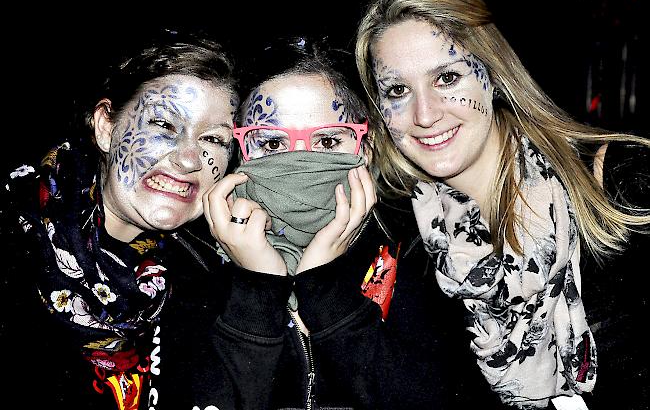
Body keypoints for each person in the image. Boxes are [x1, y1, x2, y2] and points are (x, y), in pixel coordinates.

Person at [355, 0, 650, 409]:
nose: (424, 114)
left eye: (447, 77)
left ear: (493, 76)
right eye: (397, 91)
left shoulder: (619, 181)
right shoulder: (406, 250)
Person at [191, 35, 502, 410]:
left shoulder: (428, 251)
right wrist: (258, 287)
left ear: (365, 149)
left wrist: (322, 287)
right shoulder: (194, 263)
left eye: (327, 142)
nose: (299, 162)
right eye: (272, 145)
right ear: (241, 152)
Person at [0, 30, 241, 409]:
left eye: (214, 139)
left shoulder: (207, 281)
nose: (191, 159)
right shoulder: (10, 238)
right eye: (164, 125)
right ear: (106, 127)